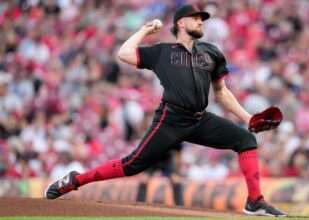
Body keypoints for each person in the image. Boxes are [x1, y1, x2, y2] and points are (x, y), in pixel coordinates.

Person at [44, 4, 286, 217]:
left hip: (201, 120)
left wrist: (247, 117)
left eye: (202, 18)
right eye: (195, 17)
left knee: (245, 138)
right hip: (171, 119)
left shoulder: (211, 52)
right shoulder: (162, 52)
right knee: (131, 165)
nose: (201, 21)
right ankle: (75, 180)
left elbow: (221, 92)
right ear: (181, 23)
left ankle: (255, 201)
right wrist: (145, 31)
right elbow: (123, 53)